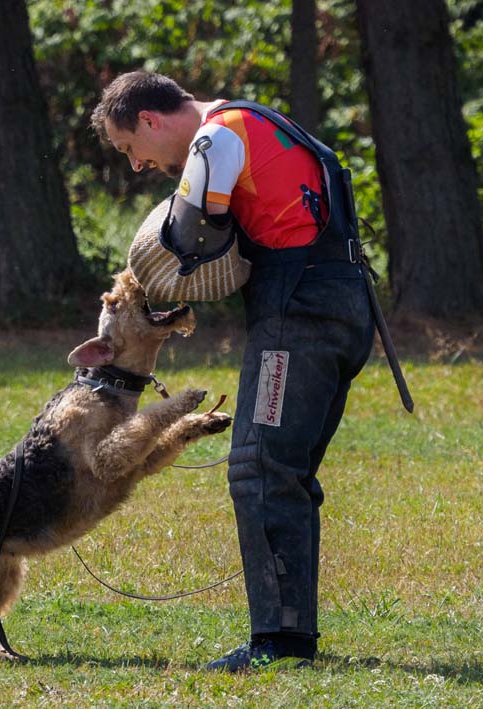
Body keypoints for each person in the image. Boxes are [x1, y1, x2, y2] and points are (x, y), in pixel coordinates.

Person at [91, 71, 375, 672]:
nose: (138, 165)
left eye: (129, 149)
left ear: (149, 120)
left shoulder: (214, 141)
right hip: (339, 306)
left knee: (259, 469)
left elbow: (192, 241)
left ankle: (279, 644)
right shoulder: (255, 120)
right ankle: (290, 638)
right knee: (280, 470)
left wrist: (158, 280)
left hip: (300, 315)